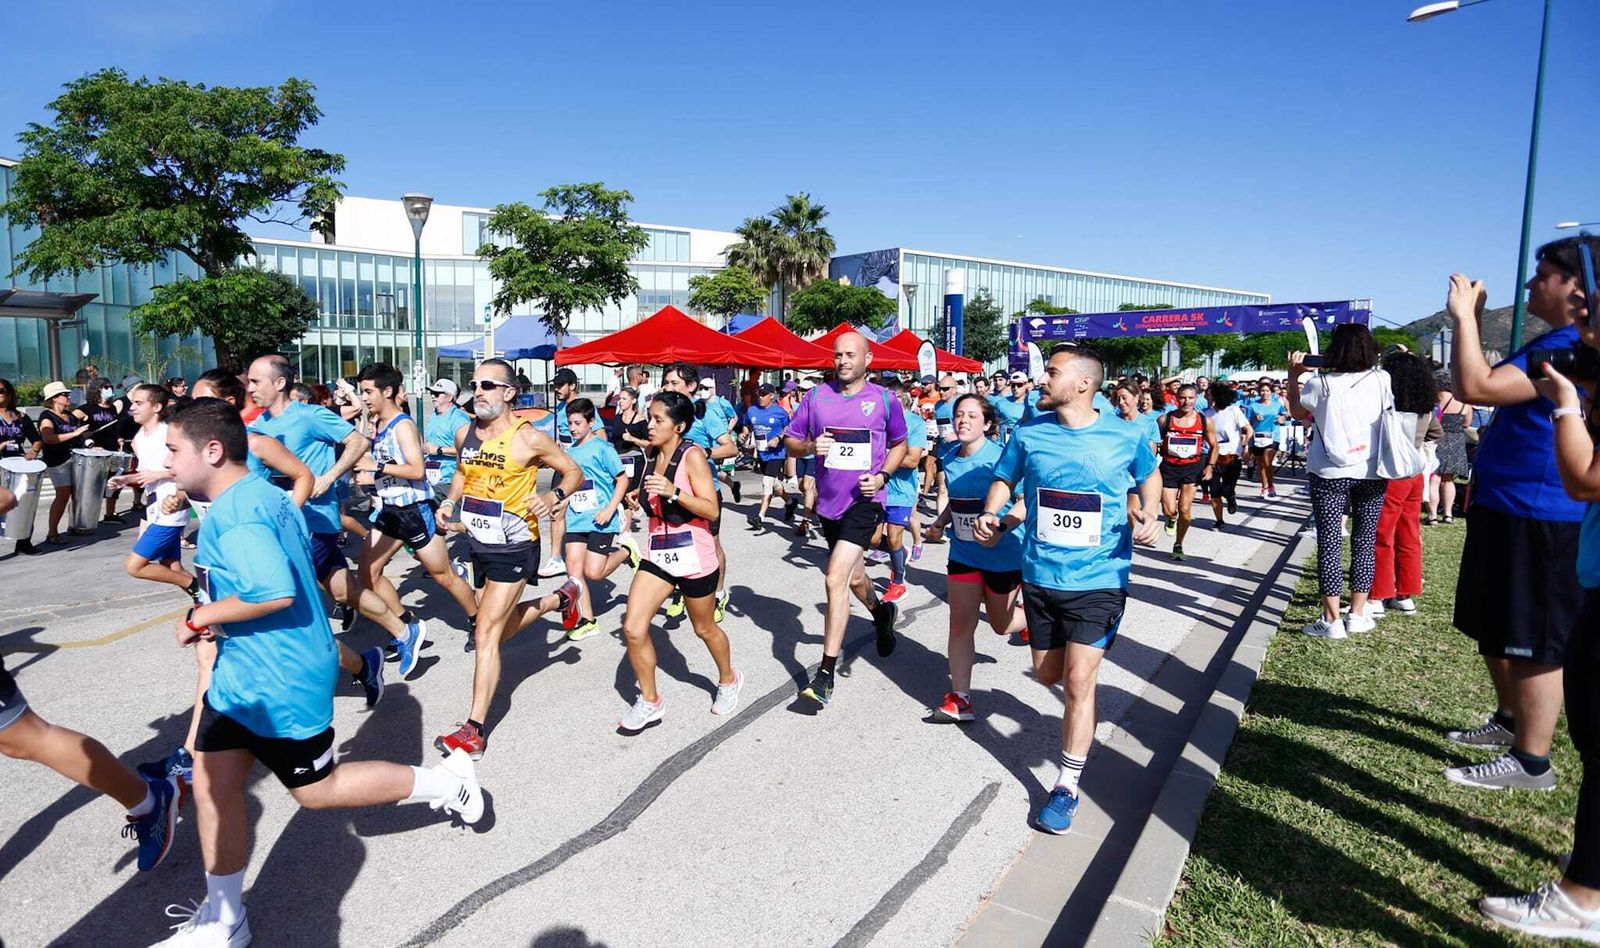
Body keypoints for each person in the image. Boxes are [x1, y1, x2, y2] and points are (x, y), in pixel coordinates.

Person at [149, 399, 483, 947]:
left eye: (173, 450)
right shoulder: (262, 494)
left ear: (211, 451)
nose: (167, 460)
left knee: (317, 791)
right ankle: (226, 920)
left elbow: (272, 591)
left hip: (283, 678)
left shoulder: (237, 514)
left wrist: (200, 615)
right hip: (241, 674)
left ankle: (449, 782)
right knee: (212, 787)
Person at [979, 346, 1161, 834]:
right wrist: (992, 513)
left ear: (1083, 383)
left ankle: (1066, 786)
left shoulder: (1127, 435)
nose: (1042, 378)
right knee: (1047, 675)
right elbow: (1004, 478)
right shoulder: (1029, 432)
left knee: (1080, 682)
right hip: (1040, 574)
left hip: (1101, 576)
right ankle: (1045, 657)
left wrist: (1151, 514)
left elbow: (1149, 476)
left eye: (1052, 372)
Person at [1442, 243, 1594, 792]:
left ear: (1577, 287)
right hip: (1506, 505)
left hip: (1542, 512)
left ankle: (1532, 760)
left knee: (1535, 636)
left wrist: (1463, 317)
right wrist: (1475, 322)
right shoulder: (1555, 341)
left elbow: (1476, 387)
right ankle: (1509, 722)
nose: (1530, 287)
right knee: (1498, 626)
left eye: (1542, 276)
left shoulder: (1570, 347)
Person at [1479, 295, 1600, 936]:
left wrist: (1568, 406)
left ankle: (1581, 898)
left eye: (1595, 315)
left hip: (1557, 528)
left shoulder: (1571, 376)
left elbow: (1584, 477)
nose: (1584, 334)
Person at [434, 358, 582, 759]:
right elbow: (464, 474)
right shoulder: (467, 432)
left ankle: (474, 730)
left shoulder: (528, 437)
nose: (477, 391)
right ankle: (559, 599)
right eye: (475, 384)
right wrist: (450, 502)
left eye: (487, 385)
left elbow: (573, 471)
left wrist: (552, 497)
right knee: (494, 627)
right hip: (479, 542)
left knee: (484, 633)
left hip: (515, 545)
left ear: (509, 392)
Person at [784, 332, 907, 707]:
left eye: (850, 355)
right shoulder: (817, 397)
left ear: (868, 360)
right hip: (829, 504)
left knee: (835, 577)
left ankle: (825, 675)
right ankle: (881, 611)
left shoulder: (884, 400)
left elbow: (900, 444)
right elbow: (790, 440)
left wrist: (883, 476)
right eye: (837, 355)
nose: (842, 361)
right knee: (854, 577)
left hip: (865, 501)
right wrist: (809, 447)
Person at [615, 391, 743, 732]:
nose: (650, 424)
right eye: (650, 417)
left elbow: (711, 509)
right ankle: (650, 701)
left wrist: (673, 492)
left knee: (703, 627)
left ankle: (729, 679)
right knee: (633, 626)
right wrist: (637, 497)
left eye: (658, 420)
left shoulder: (693, 456)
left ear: (679, 426)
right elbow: (651, 497)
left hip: (694, 554)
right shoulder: (650, 454)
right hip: (659, 550)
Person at [352, 363, 481, 640]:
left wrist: (376, 469)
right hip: (389, 510)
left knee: (443, 575)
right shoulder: (380, 424)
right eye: (361, 392)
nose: (363, 398)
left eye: (367, 391)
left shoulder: (403, 425)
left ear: (387, 391)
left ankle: (478, 620)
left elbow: (417, 470)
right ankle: (406, 626)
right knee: (368, 571)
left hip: (414, 511)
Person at [926, 394, 1027, 721]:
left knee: (1001, 625)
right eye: (958, 415)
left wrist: (1001, 526)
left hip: (1004, 555)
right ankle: (961, 699)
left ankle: (1039, 617)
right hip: (964, 552)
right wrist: (941, 522)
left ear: (987, 423)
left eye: (972, 415)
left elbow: (1026, 502)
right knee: (961, 623)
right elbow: (959, 500)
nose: (963, 421)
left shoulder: (1001, 457)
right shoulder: (950, 456)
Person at [1288, 323, 1392, 640]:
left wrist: (1294, 375)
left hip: (1329, 470)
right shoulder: (1381, 378)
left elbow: (1296, 412)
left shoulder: (1319, 383)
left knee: (1330, 542)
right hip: (1372, 471)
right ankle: (1357, 614)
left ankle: (1331, 620)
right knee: (1364, 541)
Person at [660, 364, 737, 621]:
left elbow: (730, 448)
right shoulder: (664, 415)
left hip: (705, 494)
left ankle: (718, 594)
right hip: (673, 492)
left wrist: (705, 453)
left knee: (711, 546)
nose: (668, 388)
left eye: (674, 383)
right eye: (667, 383)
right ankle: (681, 591)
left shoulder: (706, 414)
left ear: (691, 386)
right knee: (676, 542)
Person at [115, 384, 204, 603]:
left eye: (138, 403)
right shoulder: (138, 438)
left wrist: (157, 475)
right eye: (132, 403)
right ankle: (205, 599)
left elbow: (188, 468)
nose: (132, 409)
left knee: (135, 566)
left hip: (172, 508)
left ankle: (196, 588)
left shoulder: (169, 433)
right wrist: (126, 479)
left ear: (156, 407)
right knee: (170, 566)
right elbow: (146, 474)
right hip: (153, 507)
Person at [559, 398, 639, 641]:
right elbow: (570, 485)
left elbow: (622, 479)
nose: (572, 428)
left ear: (591, 422)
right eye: (570, 423)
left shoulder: (603, 448)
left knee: (594, 573)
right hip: (575, 519)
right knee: (574, 571)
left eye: (577, 423)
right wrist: (561, 503)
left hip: (600, 519)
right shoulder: (570, 452)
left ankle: (627, 551)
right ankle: (588, 620)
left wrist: (611, 508)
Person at [1370, 351, 1437, 618]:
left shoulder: (1387, 406)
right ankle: (1404, 593)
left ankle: (1378, 594)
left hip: (1390, 474)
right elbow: (1437, 434)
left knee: (1381, 534)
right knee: (1409, 534)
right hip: (1414, 473)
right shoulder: (1425, 408)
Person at [875, 379, 928, 603]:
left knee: (895, 535)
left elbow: (913, 460)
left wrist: (880, 458)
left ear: (899, 399)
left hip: (901, 490)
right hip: (877, 487)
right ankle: (900, 552)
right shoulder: (876, 422)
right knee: (874, 539)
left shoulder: (914, 423)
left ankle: (898, 583)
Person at [1156, 384, 1215, 560]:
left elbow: (1214, 445)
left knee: (1185, 509)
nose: (1186, 401)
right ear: (1176, 398)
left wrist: (1210, 466)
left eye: (1190, 398)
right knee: (1169, 510)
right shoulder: (1164, 420)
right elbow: (1153, 443)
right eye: (1182, 397)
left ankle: (1178, 544)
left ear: (1196, 399)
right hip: (1169, 467)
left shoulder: (1205, 421)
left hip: (1192, 467)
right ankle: (1171, 519)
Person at [37, 381, 93, 543]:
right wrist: (74, 434)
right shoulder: (46, 417)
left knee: (76, 494)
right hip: (57, 461)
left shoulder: (69, 415)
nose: (68, 397)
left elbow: (79, 434)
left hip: (74, 459)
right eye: (64, 394)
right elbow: (48, 438)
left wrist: (86, 439)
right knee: (62, 495)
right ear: (54, 398)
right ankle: (52, 532)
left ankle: (74, 525)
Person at [0, 377, 44, 554]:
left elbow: (37, 439)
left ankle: (24, 541)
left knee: (25, 503)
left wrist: (33, 451)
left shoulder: (21, 417)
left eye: (1, 390)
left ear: (9, 395)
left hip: (19, 466)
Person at [742, 383, 792, 528]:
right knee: (774, 483)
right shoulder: (752, 410)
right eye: (759, 394)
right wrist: (743, 433)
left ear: (772, 396)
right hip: (761, 452)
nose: (760, 397)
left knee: (767, 482)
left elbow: (789, 428)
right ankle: (789, 502)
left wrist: (778, 438)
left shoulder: (780, 412)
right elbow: (747, 425)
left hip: (777, 453)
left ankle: (760, 517)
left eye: (764, 394)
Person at [1428, 371, 1473, 524]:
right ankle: (1448, 514)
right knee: (1448, 480)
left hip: (1435, 440)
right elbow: (1467, 423)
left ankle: (1432, 515)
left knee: (1433, 479)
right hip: (1455, 440)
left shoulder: (1433, 400)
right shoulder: (1463, 401)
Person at [1204, 384, 1251, 527]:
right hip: (1213, 457)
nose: (1207, 396)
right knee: (1215, 491)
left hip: (1231, 457)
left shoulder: (1233, 411)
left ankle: (1231, 497)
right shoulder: (1207, 414)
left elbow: (1248, 429)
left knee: (1226, 489)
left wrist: (1245, 445)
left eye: (1210, 394)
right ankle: (1219, 520)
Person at [423, 379, 473, 503]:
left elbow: (468, 451)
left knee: (448, 520)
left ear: (450, 397)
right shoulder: (434, 416)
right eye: (432, 393)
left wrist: (439, 450)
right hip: (432, 478)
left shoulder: (458, 418)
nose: (433, 397)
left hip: (450, 480)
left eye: (437, 394)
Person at [698, 376, 744, 504]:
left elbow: (734, 417)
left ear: (713, 389)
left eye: (705, 388)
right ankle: (732, 486)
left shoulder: (721, 402)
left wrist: (728, 431)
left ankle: (716, 495)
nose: (702, 390)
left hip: (720, 442)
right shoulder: (699, 403)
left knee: (713, 470)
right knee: (712, 470)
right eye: (701, 388)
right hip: (705, 442)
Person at [611, 385, 650, 533]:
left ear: (633, 400)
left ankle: (626, 530)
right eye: (619, 398)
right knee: (619, 493)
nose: (620, 401)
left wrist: (633, 439)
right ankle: (634, 507)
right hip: (618, 459)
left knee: (627, 493)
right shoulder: (616, 418)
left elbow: (649, 444)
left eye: (624, 398)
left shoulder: (640, 419)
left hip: (634, 459)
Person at [1242, 378, 1287, 497]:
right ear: (1258, 392)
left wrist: (1282, 419)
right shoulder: (1253, 406)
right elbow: (1246, 422)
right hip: (1257, 437)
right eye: (1262, 391)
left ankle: (1271, 485)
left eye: (1267, 391)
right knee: (1260, 463)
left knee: (1267, 460)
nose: (1264, 393)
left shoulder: (1277, 405)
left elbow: (1285, 415)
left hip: (1273, 436)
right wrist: (1254, 419)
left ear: (1271, 392)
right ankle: (1264, 486)